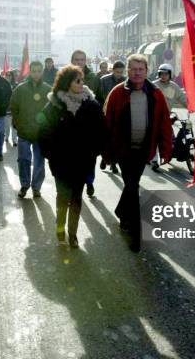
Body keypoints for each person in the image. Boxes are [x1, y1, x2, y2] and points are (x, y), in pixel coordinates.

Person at [103, 54, 173, 252]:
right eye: (133, 69)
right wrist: (106, 152)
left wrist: (166, 149)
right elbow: (107, 123)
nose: (137, 72)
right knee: (133, 187)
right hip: (123, 150)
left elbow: (164, 124)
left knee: (131, 185)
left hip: (144, 150)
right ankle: (136, 232)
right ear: (128, 71)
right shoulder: (117, 93)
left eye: (141, 69)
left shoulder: (156, 94)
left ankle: (121, 211)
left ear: (147, 70)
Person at [39, 65, 106, 248]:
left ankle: (73, 233)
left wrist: (96, 151)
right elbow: (43, 130)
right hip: (60, 161)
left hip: (83, 161)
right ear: (67, 82)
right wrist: (49, 154)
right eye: (78, 81)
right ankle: (60, 228)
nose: (81, 84)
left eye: (82, 80)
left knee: (77, 197)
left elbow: (101, 131)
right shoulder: (54, 104)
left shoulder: (91, 104)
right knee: (62, 196)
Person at [10, 61, 51, 198]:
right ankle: (24, 185)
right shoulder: (20, 89)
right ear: (30, 72)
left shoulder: (48, 89)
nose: (36, 74)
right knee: (23, 159)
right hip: (24, 132)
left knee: (39, 161)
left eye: (39, 71)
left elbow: (53, 110)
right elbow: (14, 107)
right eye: (34, 71)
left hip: (41, 133)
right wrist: (18, 123)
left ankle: (36, 187)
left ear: (42, 72)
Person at [71, 49, 102, 196]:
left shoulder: (93, 78)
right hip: (71, 124)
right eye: (76, 60)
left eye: (81, 60)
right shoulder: (65, 76)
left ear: (85, 61)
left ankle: (89, 182)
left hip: (89, 126)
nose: (79, 62)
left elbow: (100, 99)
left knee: (90, 159)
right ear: (72, 61)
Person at [150, 63, 187, 171]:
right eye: (161, 74)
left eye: (166, 74)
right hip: (153, 116)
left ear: (170, 74)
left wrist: (191, 107)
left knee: (168, 137)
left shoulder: (174, 87)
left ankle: (167, 156)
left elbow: (182, 98)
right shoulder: (153, 85)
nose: (164, 76)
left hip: (166, 116)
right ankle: (154, 161)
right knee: (154, 138)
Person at [99, 61, 126, 174]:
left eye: (121, 72)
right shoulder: (104, 80)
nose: (119, 74)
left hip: (120, 115)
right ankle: (105, 158)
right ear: (113, 70)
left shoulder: (126, 81)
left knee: (117, 140)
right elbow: (100, 95)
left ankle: (113, 164)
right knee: (106, 139)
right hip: (106, 113)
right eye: (117, 72)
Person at [4, 70, 19, 147]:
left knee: (14, 125)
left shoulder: (16, 85)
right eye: (7, 75)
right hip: (6, 109)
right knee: (6, 125)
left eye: (10, 75)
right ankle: (6, 136)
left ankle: (14, 140)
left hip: (14, 108)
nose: (8, 77)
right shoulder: (2, 85)